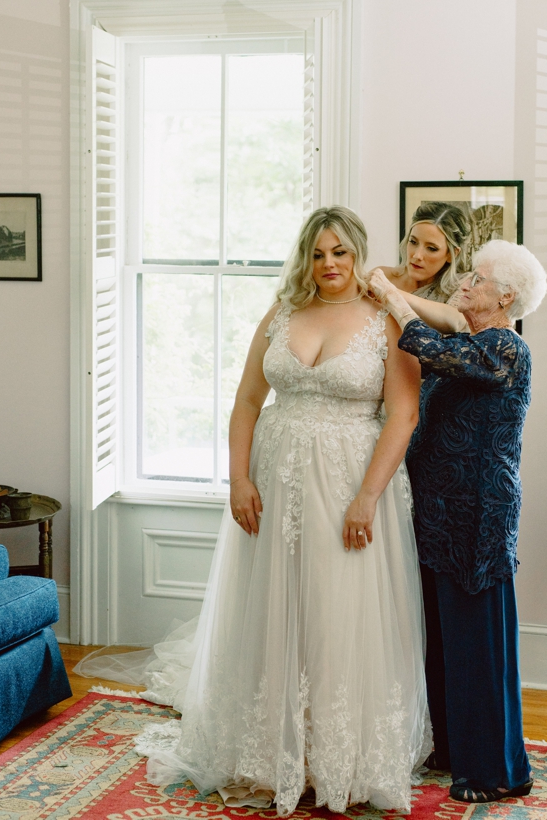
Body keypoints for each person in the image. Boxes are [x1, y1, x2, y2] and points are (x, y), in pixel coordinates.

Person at [132, 207, 429, 815]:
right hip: (274, 483)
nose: (329, 266)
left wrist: (368, 495)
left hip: (350, 481)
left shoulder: (386, 322)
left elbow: (403, 415)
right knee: (275, 608)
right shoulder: (281, 313)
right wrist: (238, 478)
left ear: (358, 254)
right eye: (318, 254)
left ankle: (337, 757)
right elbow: (246, 400)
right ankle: (271, 750)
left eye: (340, 253)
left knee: (337, 609)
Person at [368, 240, 547, 804]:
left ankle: (493, 770)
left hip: (478, 515)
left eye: (477, 277)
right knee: (440, 639)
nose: (464, 283)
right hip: (437, 512)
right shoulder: (471, 339)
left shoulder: (505, 347)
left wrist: (394, 298)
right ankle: (450, 752)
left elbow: (422, 343)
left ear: (506, 297)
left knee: (476, 643)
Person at [380, 201, 474, 306]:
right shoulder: (382, 276)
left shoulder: (462, 288)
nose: (417, 255)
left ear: (451, 254)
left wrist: (389, 292)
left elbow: (457, 320)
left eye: (431, 248)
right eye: (413, 242)